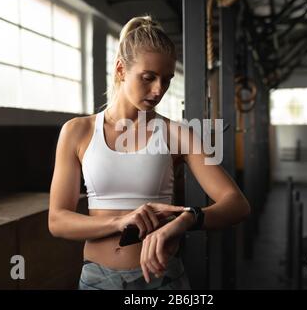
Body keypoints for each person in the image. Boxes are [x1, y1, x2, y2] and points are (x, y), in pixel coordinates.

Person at [48, 15, 250, 290]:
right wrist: (120, 221)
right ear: (121, 69)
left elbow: (236, 204)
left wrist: (188, 218)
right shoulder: (77, 132)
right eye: (148, 77)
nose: (158, 90)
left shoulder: (177, 134)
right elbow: (58, 220)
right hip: (97, 280)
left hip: (161, 280)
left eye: (166, 80)